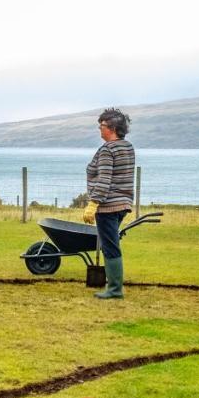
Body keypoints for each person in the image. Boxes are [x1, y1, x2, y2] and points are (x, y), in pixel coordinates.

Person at [82, 108, 136, 299]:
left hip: (108, 206)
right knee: (111, 244)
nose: (100, 129)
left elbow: (105, 178)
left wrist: (93, 203)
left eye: (102, 125)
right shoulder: (127, 147)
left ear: (112, 128)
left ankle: (114, 290)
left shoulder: (107, 149)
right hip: (123, 204)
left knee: (110, 245)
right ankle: (114, 287)